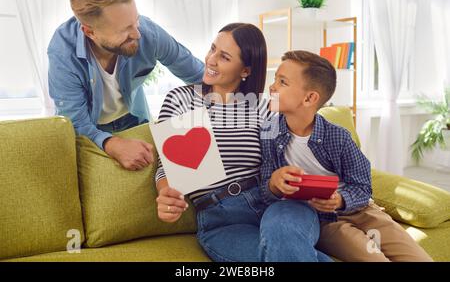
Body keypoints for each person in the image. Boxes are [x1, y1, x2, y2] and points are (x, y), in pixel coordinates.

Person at [155, 23, 330, 262]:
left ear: (245, 70)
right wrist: (167, 193)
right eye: (212, 49)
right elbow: (167, 166)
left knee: (283, 239)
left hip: (277, 204)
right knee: (283, 254)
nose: (210, 60)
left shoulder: (263, 107)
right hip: (222, 220)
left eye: (224, 57)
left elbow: (293, 153)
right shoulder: (182, 100)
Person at [260, 50, 433, 262]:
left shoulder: (338, 137)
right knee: (373, 258)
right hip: (325, 221)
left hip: (362, 210)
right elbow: (264, 188)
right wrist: (274, 184)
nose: (272, 87)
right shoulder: (269, 133)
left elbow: (363, 185)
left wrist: (341, 200)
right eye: (275, 79)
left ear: (309, 98)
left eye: (282, 82)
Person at [48, 0, 204, 171]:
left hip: (135, 118)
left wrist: (229, 105)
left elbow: (196, 72)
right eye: (124, 30)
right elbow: (75, 122)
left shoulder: (148, 33)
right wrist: (112, 144)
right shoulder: (62, 53)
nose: (137, 33)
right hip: (90, 130)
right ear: (90, 32)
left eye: (135, 21)